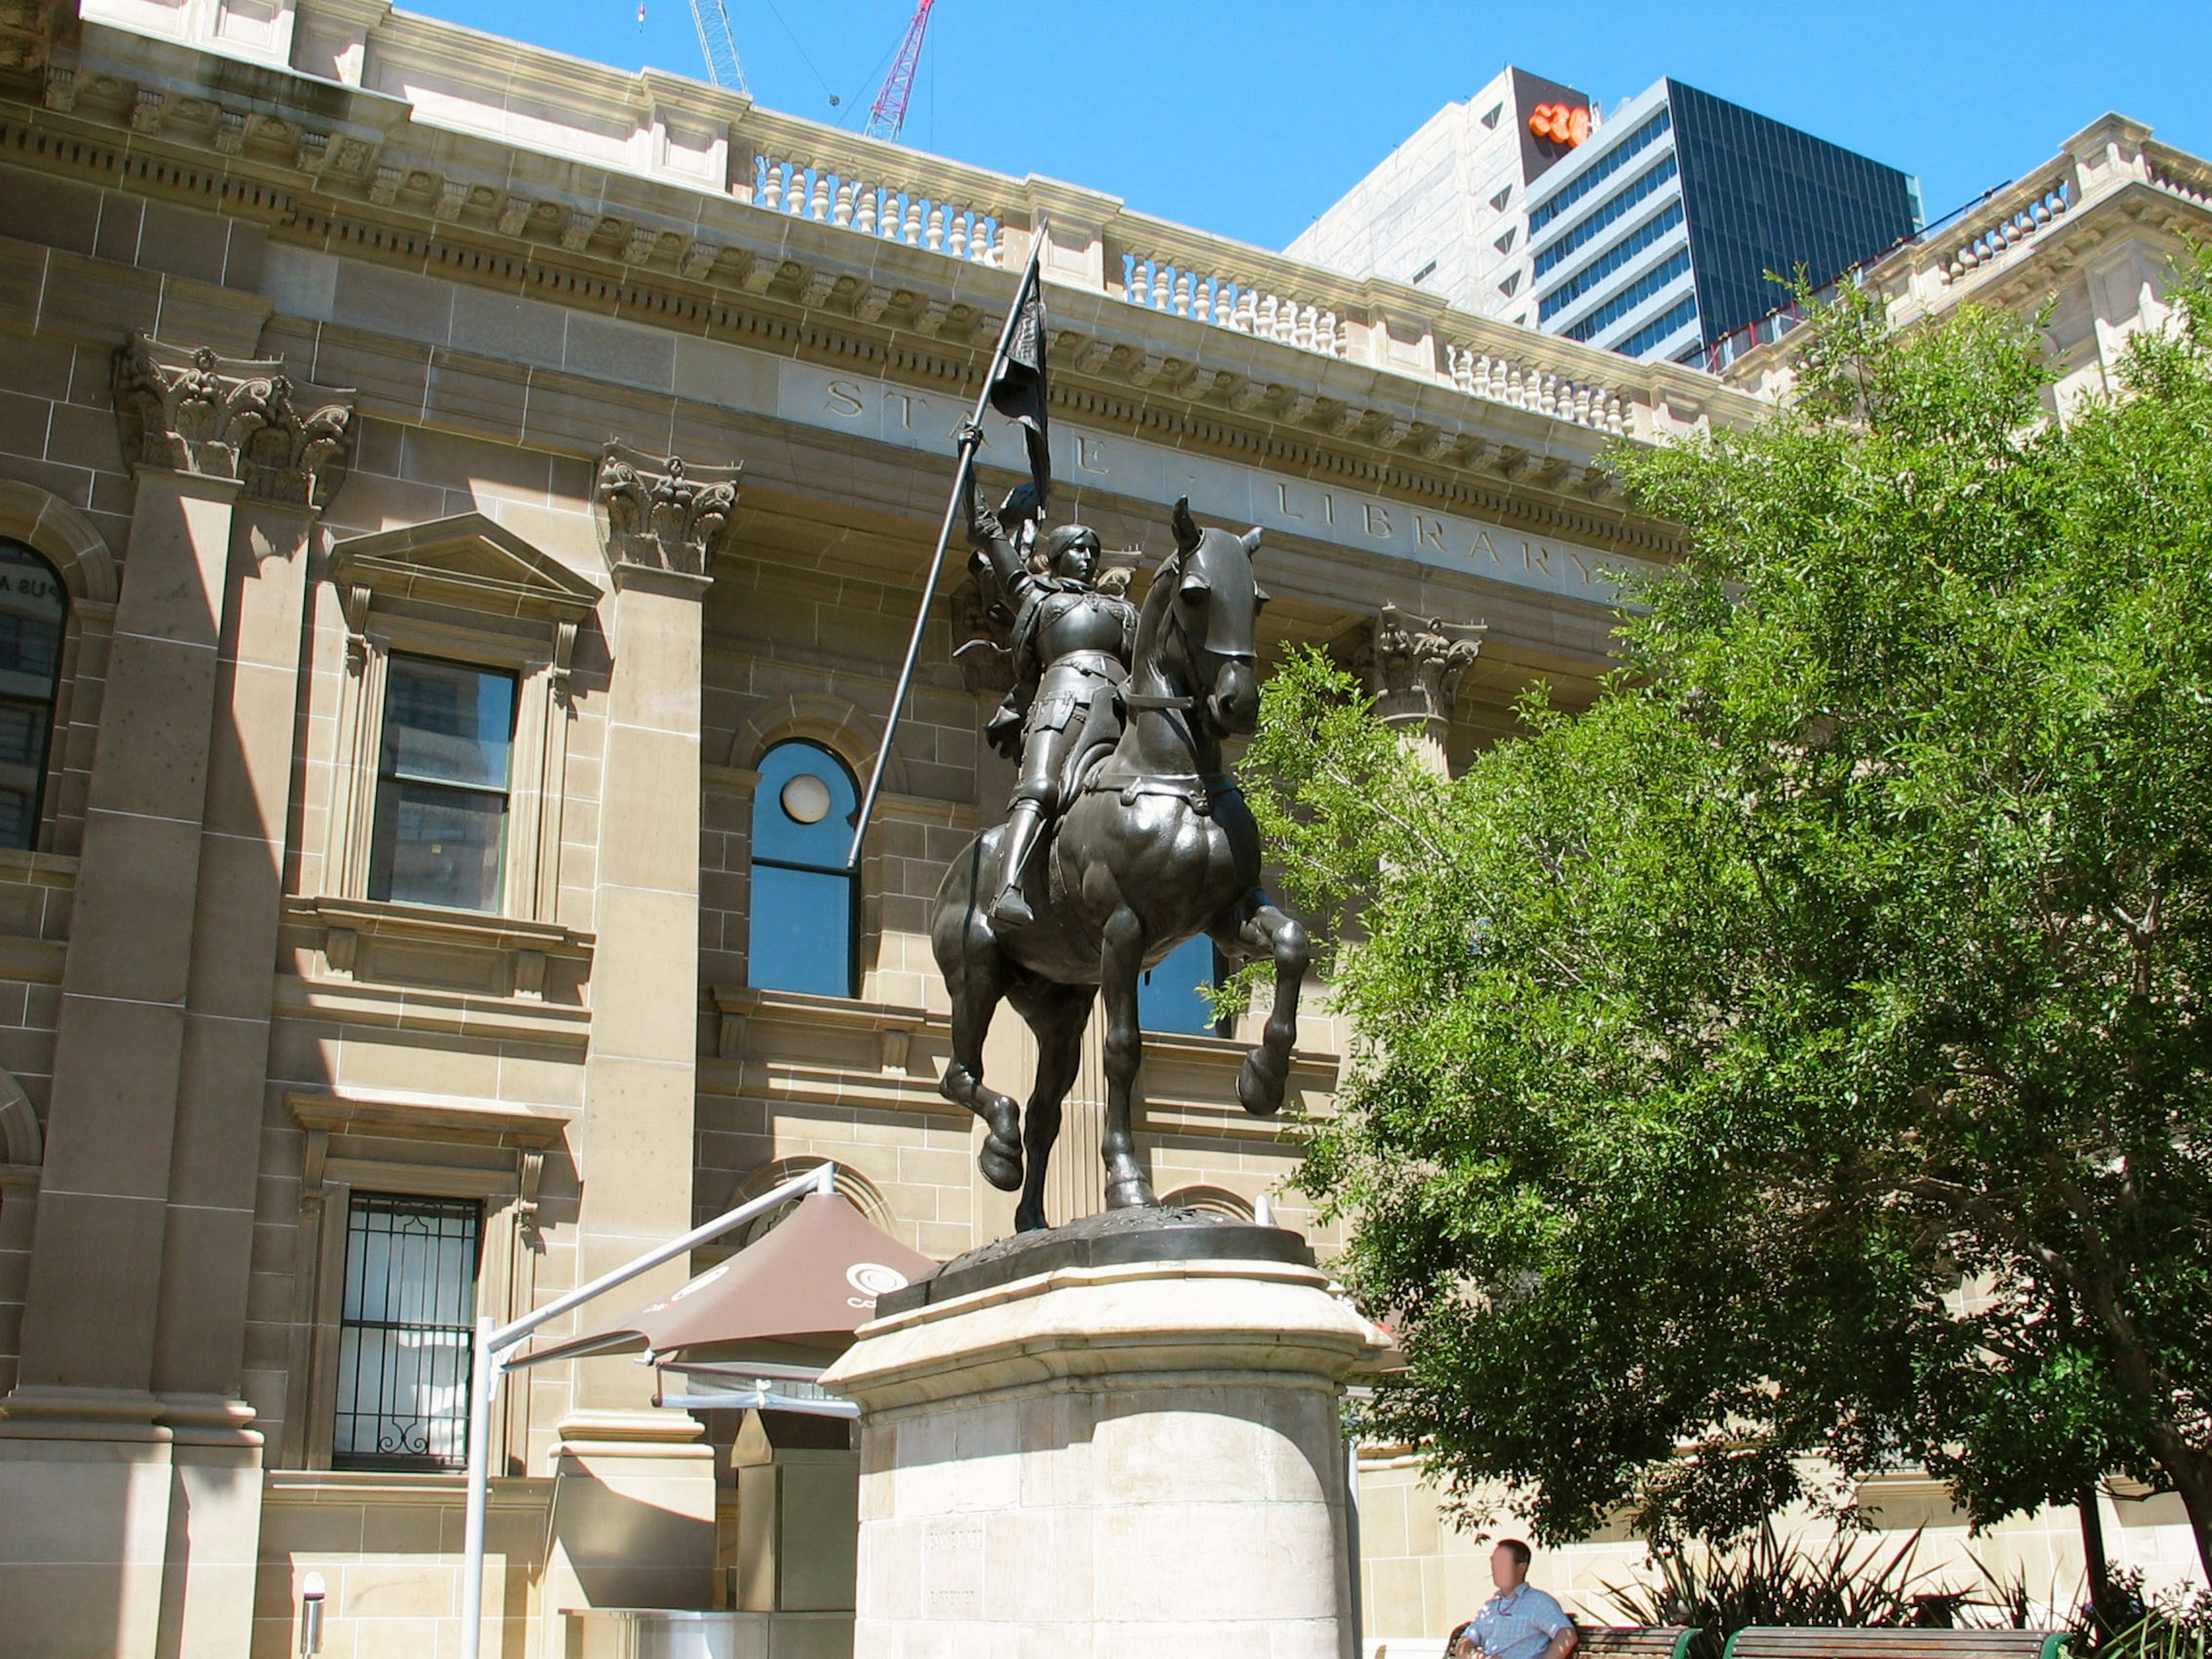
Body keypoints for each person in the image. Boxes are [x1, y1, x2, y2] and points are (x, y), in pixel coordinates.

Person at [959, 446, 1137, 930]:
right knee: (1039, 786)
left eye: (1093, 552)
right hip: (1060, 706)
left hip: (1119, 710)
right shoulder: (1036, 596)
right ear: (1057, 557)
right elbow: (988, 535)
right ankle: (1009, 885)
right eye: (1078, 549)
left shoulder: (1122, 612)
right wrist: (968, 466)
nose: (1088, 558)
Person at [1448, 1540, 1580, 1659]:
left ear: (1522, 1568)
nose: (1495, 1568)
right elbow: (1465, 1643)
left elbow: (1567, 1635)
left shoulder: (1538, 1602)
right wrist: (1475, 1656)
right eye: (1494, 1561)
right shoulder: (1491, 1607)